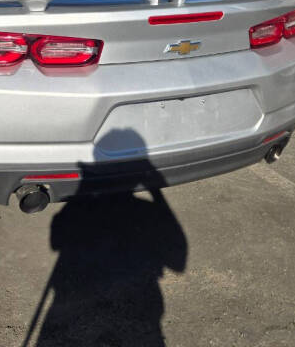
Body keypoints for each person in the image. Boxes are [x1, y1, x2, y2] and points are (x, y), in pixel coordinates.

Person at [28, 129, 188, 347]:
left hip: (67, 298)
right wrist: (157, 191)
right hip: (142, 307)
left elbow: (56, 242)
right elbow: (178, 262)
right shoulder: (146, 210)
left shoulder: (66, 214)